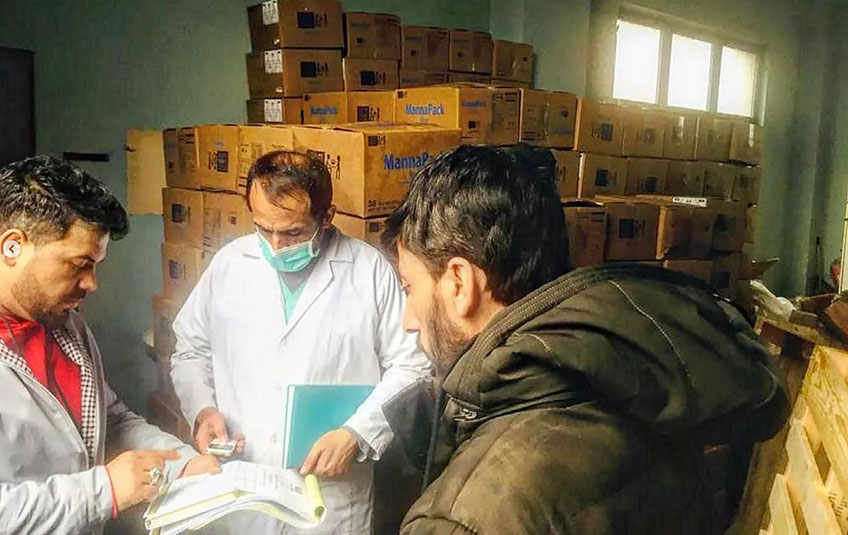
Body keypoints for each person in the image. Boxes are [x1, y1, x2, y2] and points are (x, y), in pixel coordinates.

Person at [380, 145, 789, 535]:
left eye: (409, 288)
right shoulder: (655, 387)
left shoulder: (462, 520)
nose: (409, 320)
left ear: (459, 282)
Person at [171, 150, 431, 535]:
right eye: (263, 228)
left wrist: (356, 434)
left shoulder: (368, 271)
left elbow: (413, 365)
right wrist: (203, 409)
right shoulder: (229, 264)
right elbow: (190, 348)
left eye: (292, 232)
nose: (275, 245)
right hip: (246, 482)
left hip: (331, 493)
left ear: (327, 217)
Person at [0, 155, 220, 535]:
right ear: (13, 246)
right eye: (78, 264)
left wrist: (181, 463)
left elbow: (111, 420)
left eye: (95, 266)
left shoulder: (68, 327)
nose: (92, 283)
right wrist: (104, 491)